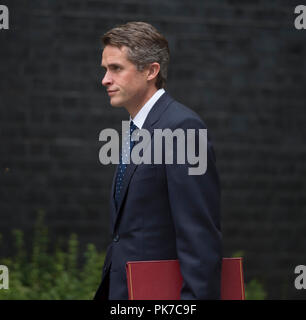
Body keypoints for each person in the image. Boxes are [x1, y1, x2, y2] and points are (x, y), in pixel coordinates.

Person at [94, 21, 222, 300]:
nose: (105, 79)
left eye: (116, 68)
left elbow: (199, 239)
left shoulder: (182, 128)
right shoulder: (137, 129)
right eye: (105, 69)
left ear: (151, 71)